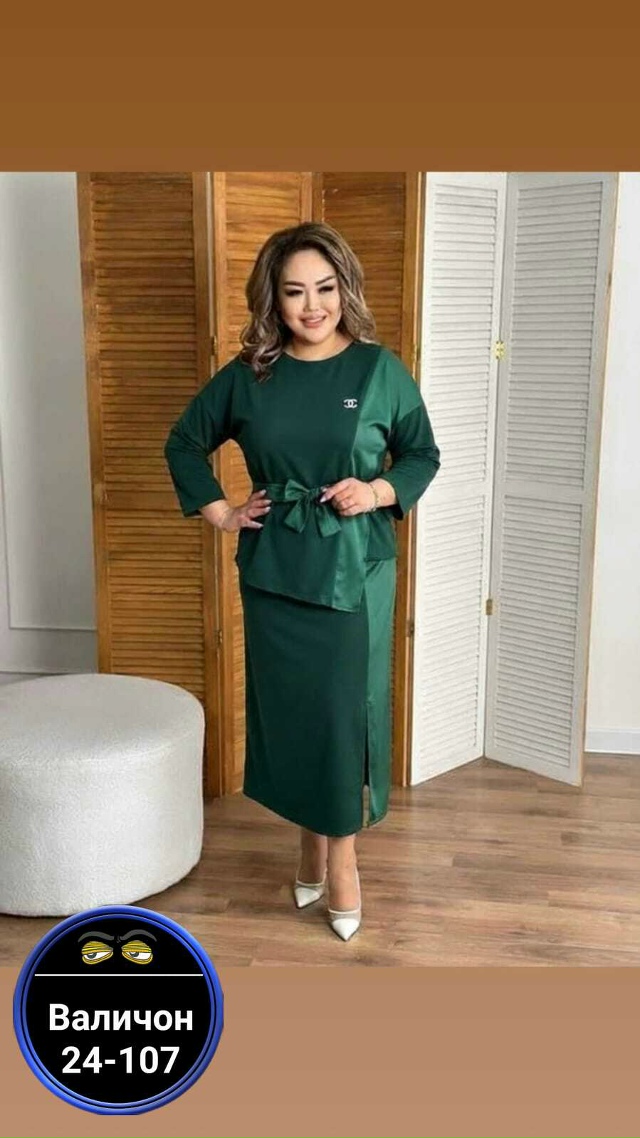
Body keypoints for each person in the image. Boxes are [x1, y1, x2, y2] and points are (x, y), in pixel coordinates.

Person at [164, 221, 441, 942]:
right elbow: (185, 440)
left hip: (353, 571)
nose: (312, 306)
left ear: (345, 289)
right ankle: (308, 842)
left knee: (342, 713)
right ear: (274, 299)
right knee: (291, 712)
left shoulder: (379, 370)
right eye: (295, 292)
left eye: (325, 288)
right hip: (275, 569)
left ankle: (341, 858)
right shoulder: (250, 374)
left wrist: (376, 492)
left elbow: (421, 454)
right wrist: (222, 510)